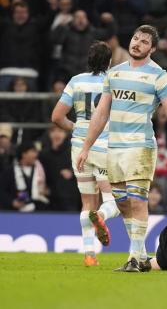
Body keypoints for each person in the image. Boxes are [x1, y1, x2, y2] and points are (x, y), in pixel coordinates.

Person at [76, 25, 167, 273]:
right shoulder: (114, 73)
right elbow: (101, 113)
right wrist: (86, 146)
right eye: (135, 38)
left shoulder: (159, 76)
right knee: (122, 202)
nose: (137, 43)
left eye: (144, 42)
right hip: (114, 147)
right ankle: (141, 255)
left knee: (137, 199)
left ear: (152, 49)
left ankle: (133, 258)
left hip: (140, 146)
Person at [51, 41, 122, 266]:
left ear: (88, 60)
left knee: (87, 203)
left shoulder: (76, 81)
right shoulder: (113, 81)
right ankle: (102, 216)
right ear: (109, 62)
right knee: (114, 201)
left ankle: (90, 255)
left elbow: (57, 116)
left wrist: (76, 127)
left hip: (79, 148)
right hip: (104, 147)